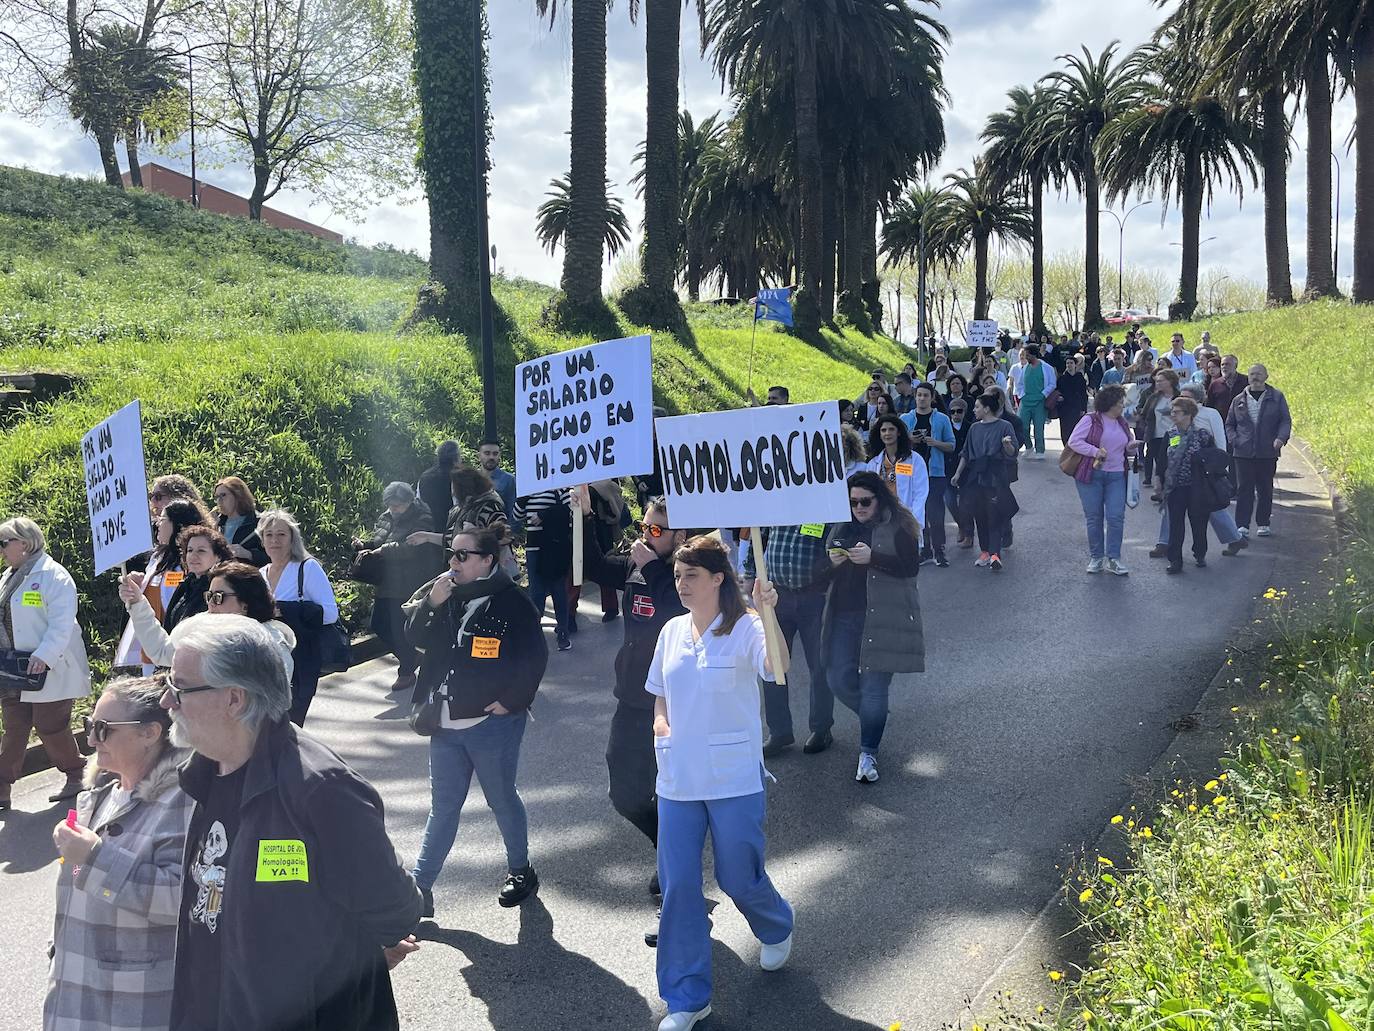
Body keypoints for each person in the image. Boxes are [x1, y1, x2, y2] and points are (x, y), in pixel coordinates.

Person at [162, 615, 422, 1031]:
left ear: (234, 699)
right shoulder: (206, 773)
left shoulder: (322, 790)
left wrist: (360, 948)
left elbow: (396, 908)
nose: (166, 701)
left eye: (179, 687)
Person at [648, 536, 793, 1031]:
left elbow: (778, 669)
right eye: (677, 576)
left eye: (691, 575)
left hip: (733, 778)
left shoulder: (747, 627)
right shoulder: (670, 631)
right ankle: (686, 999)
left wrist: (768, 611)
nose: (682, 584)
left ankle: (776, 924)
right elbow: (659, 692)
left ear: (716, 579)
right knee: (679, 888)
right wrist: (661, 727)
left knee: (737, 875)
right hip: (678, 782)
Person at [404, 526, 548, 917]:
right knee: (443, 807)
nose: (454, 562)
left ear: (487, 561)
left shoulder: (512, 601)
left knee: (501, 799)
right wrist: (430, 604)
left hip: (491, 723)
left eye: (463, 556)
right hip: (444, 722)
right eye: (452, 554)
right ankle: (421, 889)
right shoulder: (443, 595)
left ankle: (521, 869)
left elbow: (534, 658)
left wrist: (512, 700)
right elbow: (412, 639)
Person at [44, 676, 193, 1031]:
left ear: (150, 733)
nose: (91, 739)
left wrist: (96, 857)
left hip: (132, 1007)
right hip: (74, 996)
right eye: (89, 725)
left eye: (103, 728)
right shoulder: (97, 798)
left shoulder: (183, 803)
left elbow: (184, 902)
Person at [578, 497, 689, 939]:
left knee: (673, 794)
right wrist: (584, 514)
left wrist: (657, 570)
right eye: (644, 527)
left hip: (675, 703)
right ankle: (671, 851)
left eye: (657, 530)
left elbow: (678, 614)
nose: (646, 535)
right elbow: (589, 564)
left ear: (680, 536)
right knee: (624, 792)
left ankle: (678, 895)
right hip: (632, 697)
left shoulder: (687, 574)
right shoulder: (636, 564)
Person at [814, 472, 923, 784]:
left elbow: (910, 567)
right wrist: (831, 563)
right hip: (844, 615)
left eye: (865, 501)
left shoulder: (899, 523)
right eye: (852, 502)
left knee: (875, 688)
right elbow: (821, 574)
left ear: (879, 498)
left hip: (883, 616)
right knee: (836, 678)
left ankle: (868, 752)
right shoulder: (839, 524)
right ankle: (873, 716)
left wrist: (874, 558)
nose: (858, 507)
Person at [0, 517, 90, 808]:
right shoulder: (7, 577)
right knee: (15, 725)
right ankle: (2, 787)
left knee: (49, 724)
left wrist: (45, 655)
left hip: (46, 665)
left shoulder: (54, 576)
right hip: (13, 667)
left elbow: (62, 623)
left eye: (4, 543)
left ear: (24, 544)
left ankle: (77, 774)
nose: (1, 550)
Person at [741, 520, 836, 758]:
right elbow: (758, 535)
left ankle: (821, 728)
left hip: (815, 596)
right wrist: (751, 573)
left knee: (820, 665)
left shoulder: (823, 506)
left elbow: (836, 543)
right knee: (772, 664)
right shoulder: (774, 506)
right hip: (777, 595)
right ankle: (779, 731)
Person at [121, 559, 298, 676]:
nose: (211, 604)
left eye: (219, 597)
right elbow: (162, 652)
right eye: (209, 596)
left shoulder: (271, 646)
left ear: (246, 604)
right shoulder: (199, 630)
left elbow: (270, 706)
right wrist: (138, 603)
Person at [353, 482, 439, 692]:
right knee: (380, 624)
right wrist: (365, 545)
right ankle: (411, 657)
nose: (394, 510)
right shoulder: (385, 517)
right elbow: (381, 540)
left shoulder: (422, 517)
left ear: (409, 502)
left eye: (398, 506)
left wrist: (384, 550)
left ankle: (407, 670)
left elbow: (413, 548)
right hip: (386, 580)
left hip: (409, 581)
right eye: (391, 506)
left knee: (400, 628)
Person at [1149, 385, 1250, 560]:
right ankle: (1164, 543)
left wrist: (1219, 470)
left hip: (1204, 474)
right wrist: (1161, 475)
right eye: (1182, 397)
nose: (1183, 400)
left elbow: (1219, 441)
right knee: (1171, 509)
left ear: (1197, 399)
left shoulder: (1210, 414)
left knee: (1213, 509)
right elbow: (1167, 448)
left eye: (1187, 397)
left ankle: (1234, 538)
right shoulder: (1176, 418)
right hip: (1177, 477)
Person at [259, 509, 341, 725]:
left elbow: (330, 613)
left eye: (281, 535)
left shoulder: (307, 568)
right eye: (269, 535)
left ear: (292, 538)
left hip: (302, 659)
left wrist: (286, 610)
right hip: (268, 662)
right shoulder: (259, 574)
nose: (274, 540)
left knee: (292, 724)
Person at [117, 500, 213, 673]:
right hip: (151, 646)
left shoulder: (191, 564)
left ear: (177, 524)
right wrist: (139, 584)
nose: (158, 524)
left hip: (176, 647)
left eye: (163, 519)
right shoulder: (157, 558)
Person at [118, 526, 234, 655]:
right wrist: (136, 600)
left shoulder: (224, 589)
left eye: (201, 551)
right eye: (190, 550)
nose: (193, 556)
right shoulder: (186, 586)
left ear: (218, 556)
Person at [1065, 385, 1137, 575]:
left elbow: (1126, 447)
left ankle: (1114, 558)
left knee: (1116, 517)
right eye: (1120, 403)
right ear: (1110, 404)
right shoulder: (1090, 420)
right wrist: (1095, 451)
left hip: (1116, 475)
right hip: (1091, 474)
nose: (1123, 406)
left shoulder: (1122, 423)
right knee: (1094, 517)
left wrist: (1132, 447)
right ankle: (1096, 557)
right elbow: (1074, 441)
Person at [950, 392, 1019, 570]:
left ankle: (995, 554)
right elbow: (965, 453)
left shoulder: (1005, 426)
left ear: (987, 409)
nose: (974, 410)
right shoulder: (974, 428)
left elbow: (1013, 452)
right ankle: (985, 552)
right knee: (979, 514)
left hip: (996, 475)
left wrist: (1007, 445)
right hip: (976, 475)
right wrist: (958, 474)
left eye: (977, 407)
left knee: (994, 514)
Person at [1225, 364, 1292, 538]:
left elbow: (1285, 421)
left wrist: (1280, 438)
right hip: (1243, 453)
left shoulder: (1276, 397)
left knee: (1265, 489)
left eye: (1259, 374)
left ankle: (1263, 523)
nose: (1255, 377)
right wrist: (1234, 440)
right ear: (1247, 377)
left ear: (1266, 376)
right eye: (1252, 374)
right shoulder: (1239, 399)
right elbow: (1229, 424)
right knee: (1244, 489)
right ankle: (1242, 526)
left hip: (1267, 452)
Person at [901, 382, 955, 566]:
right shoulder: (906, 419)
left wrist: (935, 443)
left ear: (932, 398)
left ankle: (939, 550)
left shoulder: (942, 419)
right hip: (910, 473)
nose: (922, 398)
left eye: (925, 395)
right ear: (915, 397)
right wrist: (909, 440)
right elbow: (896, 444)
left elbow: (951, 445)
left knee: (935, 513)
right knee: (917, 513)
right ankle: (923, 549)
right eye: (919, 395)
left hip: (935, 473)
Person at [515, 487, 574, 651]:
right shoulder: (527, 491)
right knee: (536, 592)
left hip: (554, 547)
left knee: (558, 590)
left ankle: (563, 632)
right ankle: (534, 636)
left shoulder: (558, 489)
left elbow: (571, 507)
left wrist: (544, 514)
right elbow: (516, 516)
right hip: (533, 547)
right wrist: (522, 499)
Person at [1162, 397, 1215, 573]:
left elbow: (1212, 460)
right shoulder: (1170, 434)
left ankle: (1200, 553)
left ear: (1189, 414)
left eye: (1176, 412)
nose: (1173, 415)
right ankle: (1175, 560)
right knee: (1176, 524)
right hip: (1176, 487)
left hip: (1198, 487)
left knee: (1199, 523)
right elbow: (1161, 459)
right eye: (1172, 412)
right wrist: (1158, 480)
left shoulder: (1203, 435)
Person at [864, 414, 929, 529]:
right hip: (881, 520)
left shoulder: (914, 460)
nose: (887, 433)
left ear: (899, 432)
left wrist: (913, 519)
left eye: (891, 429)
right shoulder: (873, 464)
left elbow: (921, 493)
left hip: (906, 519)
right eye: (883, 430)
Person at [1135, 368, 1181, 497]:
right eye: (1157, 381)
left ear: (1170, 381)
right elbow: (1144, 413)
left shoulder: (1180, 397)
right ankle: (1159, 489)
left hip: (1174, 435)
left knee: (1169, 461)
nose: (1158, 383)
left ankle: (1167, 489)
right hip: (1155, 434)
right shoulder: (1154, 397)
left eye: (1161, 381)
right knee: (1158, 462)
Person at [212, 477, 269, 567]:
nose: (219, 501)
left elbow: (274, 557)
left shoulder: (260, 522)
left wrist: (248, 554)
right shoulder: (218, 524)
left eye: (223, 495)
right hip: (222, 576)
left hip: (250, 577)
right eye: (217, 497)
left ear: (238, 496)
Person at [944, 395, 975, 548]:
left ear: (964, 412)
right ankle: (961, 525)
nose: (956, 414)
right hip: (948, 468)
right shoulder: (945, 426)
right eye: (952, 411)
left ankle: (969, 534)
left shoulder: (971, 427)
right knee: (949, 501)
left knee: (966, 503)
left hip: (967, 470)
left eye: (959, 411)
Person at [1016, 345, 1057, 458]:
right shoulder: (1025, 368)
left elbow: (1052, 383)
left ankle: (1040, 450)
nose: (1026, 357)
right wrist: (1022, 395)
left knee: (1038, 427)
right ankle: (1028, 446)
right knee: (1023, 426)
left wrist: (1043, 394)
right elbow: (1019, 384)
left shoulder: (1046, 367)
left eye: (1028, 355)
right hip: (1026, 401)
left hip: (1040, 401)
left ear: (1033, 354)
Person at [418, 440, 462, 530]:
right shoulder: (458, 477)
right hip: (450, 529)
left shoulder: (424, 476)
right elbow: (458, 505)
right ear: (457, 457)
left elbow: (419, 501)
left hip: (428, 527)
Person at [477, 439, 518, 527]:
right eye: (487, 453)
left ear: (499, 456)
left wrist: (509, 534)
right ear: (479, 456)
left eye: (495, 454)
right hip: (473, 533)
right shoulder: (471, 479)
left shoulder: (509, 480)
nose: (491, 457)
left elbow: (514, 512)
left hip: (499, 533)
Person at [1057, 354, 1090, 443]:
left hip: (1077, 408)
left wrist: (1083, 408)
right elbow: (1057, 392)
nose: (1069, 365)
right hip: (1065, 409)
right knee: (1065, 431)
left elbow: (1084, 395)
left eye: (1071, 363)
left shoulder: (1080, 378)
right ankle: (1066, 449)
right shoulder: (1061, 379)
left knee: (1077, 430)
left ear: (1075, 365)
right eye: (1067, 363)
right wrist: (1059, 398)